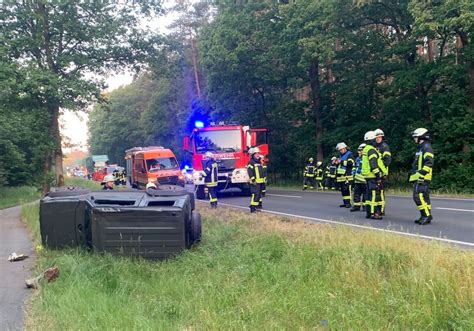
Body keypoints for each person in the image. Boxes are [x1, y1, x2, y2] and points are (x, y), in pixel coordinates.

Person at [409, 128, 434, 225]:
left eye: (416, 137)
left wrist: (421, 174)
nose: (415, 139)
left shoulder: (426, 148)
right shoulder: (421, 148)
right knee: (424, 197)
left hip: (422, 177)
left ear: (421, 137)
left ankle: (426, 215)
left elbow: (429, 163)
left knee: (417, 197)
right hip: (420, 176)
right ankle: (425, 215)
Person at [361, 131, 383, 219]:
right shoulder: (371, 150)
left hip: (367, 176)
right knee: (374, 194)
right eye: (375, 138)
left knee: (369, 195)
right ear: (372, 140)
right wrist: (378, 175)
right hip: (372, 175)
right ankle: (374, 213)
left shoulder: (366, 149)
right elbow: (373, 164)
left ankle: (369, 212)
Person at [375, 129, 392, 215]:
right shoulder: (375, 146)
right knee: (377, 191)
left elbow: (388, 160)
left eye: (379, 137)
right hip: (376, 172)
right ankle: (377, 209)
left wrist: (381, 169)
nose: (378, 138)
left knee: (380, 192)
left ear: (382, 137)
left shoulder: (384, 146)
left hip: (382, 173)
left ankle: (381, 210)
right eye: (376, 137)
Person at [335, 142, 355, 208]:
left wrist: (341, 161)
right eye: (339, 150)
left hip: (347, 176)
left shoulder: (349, 154)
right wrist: (336, 163)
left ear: (344, 148)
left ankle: (348, 203)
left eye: (341, 150)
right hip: (341, 176)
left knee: (347, 190)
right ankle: (345, 202)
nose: (340, 151)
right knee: (343, 190)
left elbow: (350, 163)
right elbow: (340, 165)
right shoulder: (341, 155)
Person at [247, 147, 265, 213]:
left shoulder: (259, 162)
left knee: (258, 195)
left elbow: (262, 172)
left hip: (260, 182)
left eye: (258, 153)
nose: (258, 155)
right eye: (256, 154)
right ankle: (252, 208)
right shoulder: (251, 162)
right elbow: (250, 171)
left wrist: (263, 180)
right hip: (255, 182)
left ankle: (256, 208)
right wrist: (253, 179)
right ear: (253, 155)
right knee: (255, 195)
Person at [351, 143, 367, 212]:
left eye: (361, 150)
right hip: (357, 180)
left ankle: (365, 206)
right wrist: (353, 175)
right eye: (359, 150)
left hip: (365, 180)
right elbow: (354, 168)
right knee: (356, 194)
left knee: (365, 195)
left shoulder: (367, 159)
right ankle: (356, 206)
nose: (359, 152)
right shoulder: (357, 159)